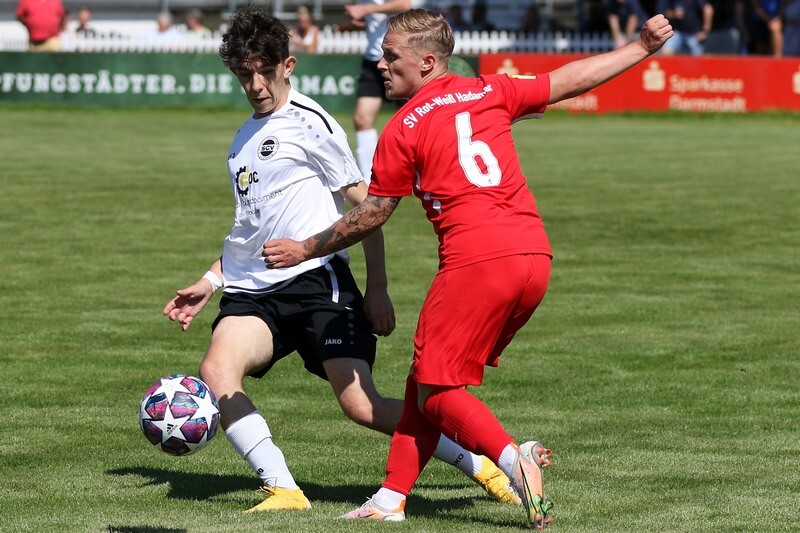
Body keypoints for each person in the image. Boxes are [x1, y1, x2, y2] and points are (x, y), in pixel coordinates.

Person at [262, 8, 673, 528]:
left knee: (437, 391)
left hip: (476, 262)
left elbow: (373, 213)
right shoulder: (490, 89)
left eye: (390, 56)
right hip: (533, 258)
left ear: (426, 62)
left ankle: (513, 461)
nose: (380, 64)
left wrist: (304, 248)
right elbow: (567, 80)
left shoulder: (402, 127)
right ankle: (390, 499)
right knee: (425, 379)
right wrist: (640, 48)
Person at [163, 5, 519, 514]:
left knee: (362, 406)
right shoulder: (241, 141)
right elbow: (250, 230)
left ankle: (480, 463)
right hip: (254, 291)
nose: (256, 85)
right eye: (244, 74)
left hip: (316, 281)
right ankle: (283, 489)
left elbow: (368, 209)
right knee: (217, 371)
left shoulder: (311, 122)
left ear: (288, 66)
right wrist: (210, 280)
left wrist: (377, 289)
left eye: (265, 71)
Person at [344, 0, 424, 181]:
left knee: (416, 118)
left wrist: (366, 9)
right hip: (372, 60)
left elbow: (404, 4)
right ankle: (370, 178)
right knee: (362, 118)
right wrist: (364, 20)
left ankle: (423, 169)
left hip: (399, 59)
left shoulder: (367, 5)